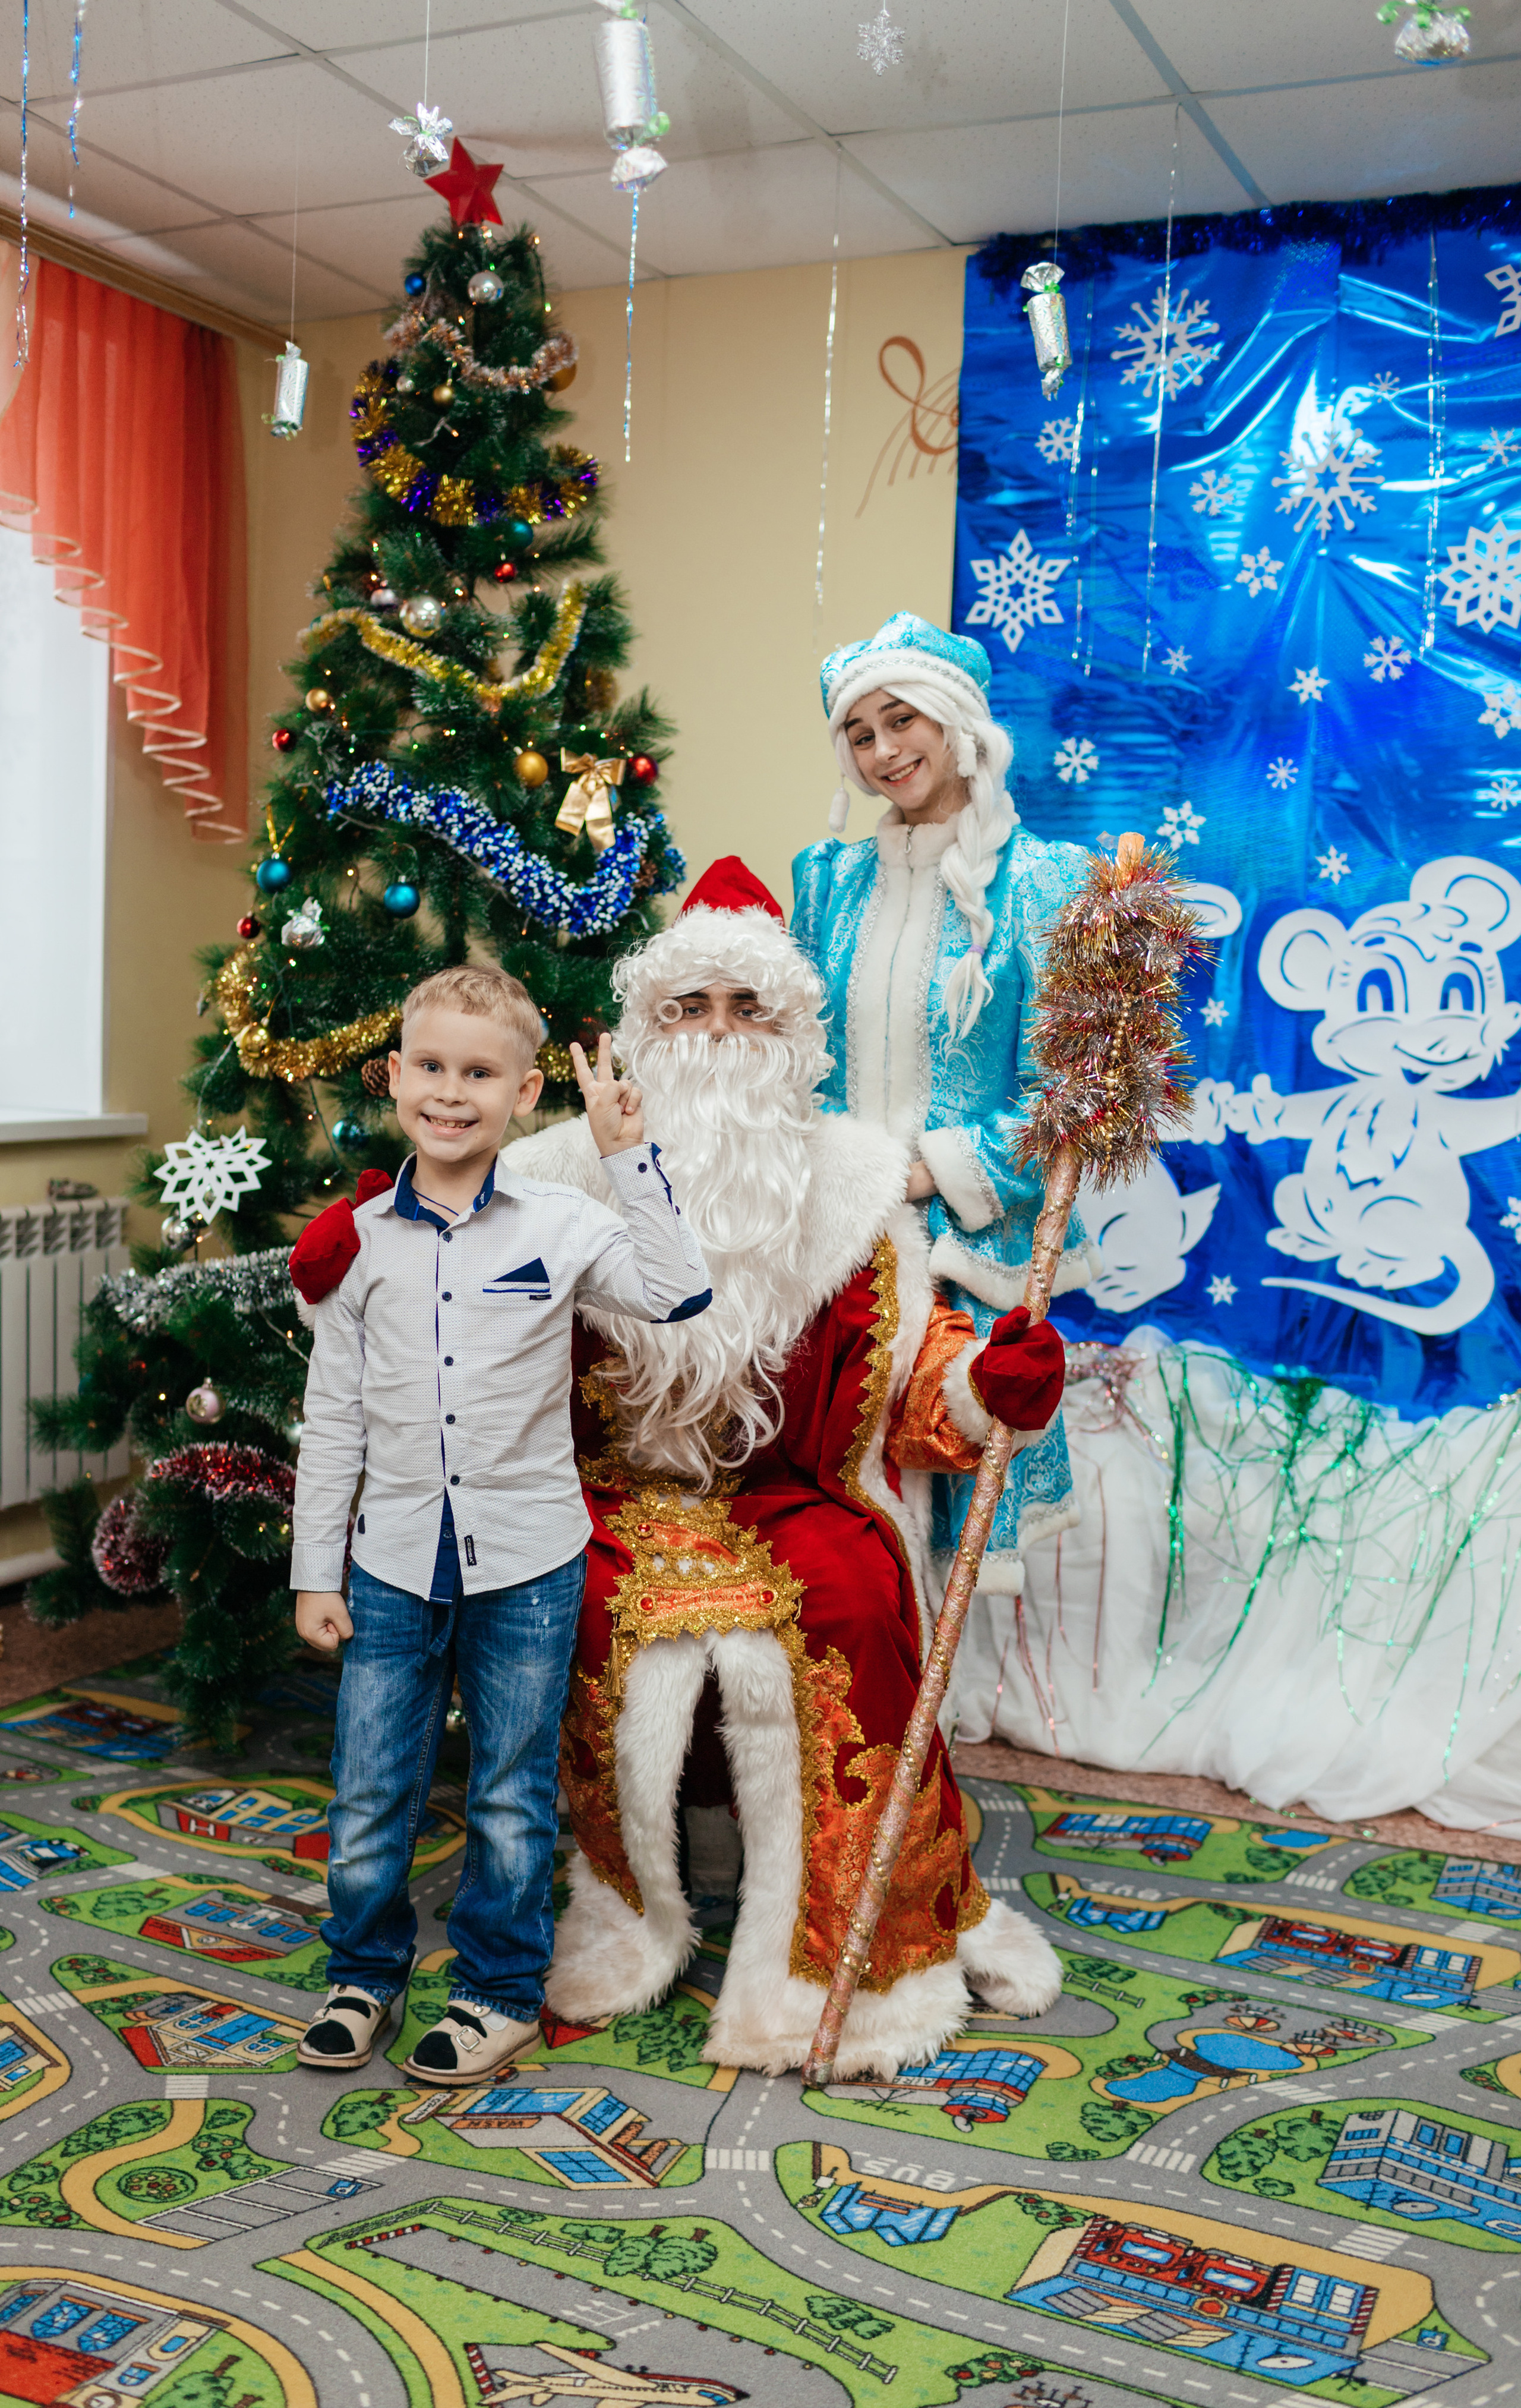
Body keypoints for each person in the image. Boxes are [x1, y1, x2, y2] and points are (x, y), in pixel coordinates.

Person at [503, 860, 1065, 2077]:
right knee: (581, 1596)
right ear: (645, 1032)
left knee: (851, 1598)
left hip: (792, 1497)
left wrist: (988, 1387)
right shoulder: (552, 1177)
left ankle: (839, 1963)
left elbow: (916, 1380)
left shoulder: (855, 1186)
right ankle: (622, 1913)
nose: (717, 1034)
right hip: (613, 1496)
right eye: (688, 1008)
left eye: (747, 1009)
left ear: (792, 1039)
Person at [286, 962, 711, 2086]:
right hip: (388, 1561)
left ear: (524, 1094)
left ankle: (498, 1992)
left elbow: (676, 1291)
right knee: (370, 1786)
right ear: (394, 1077)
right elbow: (334, 1419)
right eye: (430, 1067)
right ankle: (363, 1974)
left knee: (511, 1793)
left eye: (480, 1074)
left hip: (527, 1559)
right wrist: (315, 1570)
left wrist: (627, 1156)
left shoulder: (565, 1226)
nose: (450, 1092)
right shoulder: (357, 1244)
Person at [791, 610, 1091, 1594]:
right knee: (837, 1503)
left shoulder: (1044, 883)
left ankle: (941, 1692)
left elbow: (1063, 1094)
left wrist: (929, 1174)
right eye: (860, 733)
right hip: (837, 1237)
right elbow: (796, 1054)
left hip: (961, 1243)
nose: (883, 751)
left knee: (947, 1497)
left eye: (901, 721)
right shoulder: (828, 881)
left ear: (955, 721)